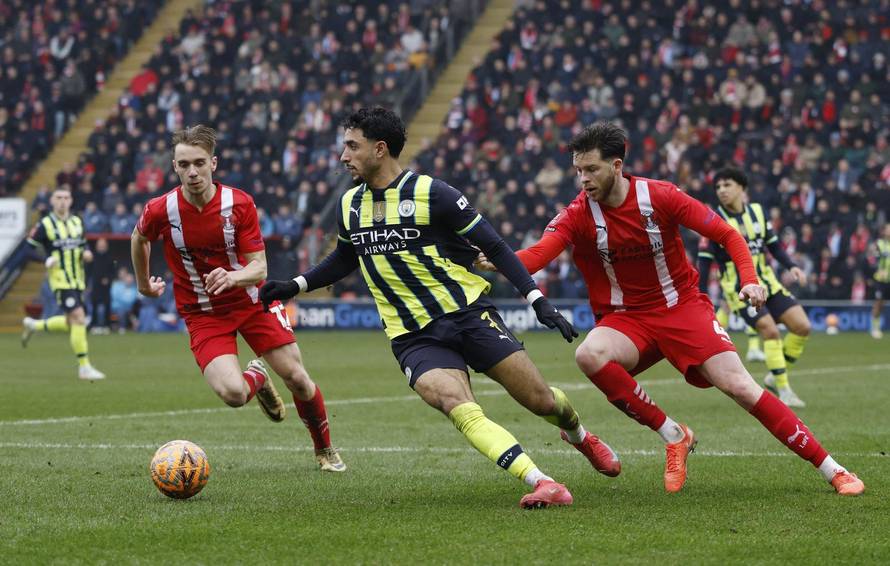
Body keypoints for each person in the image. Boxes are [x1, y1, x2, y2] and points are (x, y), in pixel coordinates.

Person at [260, 107, 619, 509]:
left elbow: (494, 245)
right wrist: (294, 285)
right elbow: (346, 257)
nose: (344, 156)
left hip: (467, 314)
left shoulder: (433, 193)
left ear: (379, 149)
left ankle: (580, 436)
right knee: (456, 403)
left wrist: (536, 300)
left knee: (541, 401)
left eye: (352, 146)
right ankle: (542, 481)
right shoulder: (350, 205)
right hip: (412, 335)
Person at [480, 122, 863, 496]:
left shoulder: (660, 196)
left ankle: (834, 470)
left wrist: (749, 278)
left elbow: (727, 234)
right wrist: (499, 260)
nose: (583, 179)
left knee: (741, 387)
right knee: (589, 354)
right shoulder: (578, 212)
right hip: (627, 319)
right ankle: (674, 435)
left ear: (617, 165)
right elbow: (540, 253)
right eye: (578, 170)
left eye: (592, 169)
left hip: (682, 308)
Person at [130, 125, 346, 473]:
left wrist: (233, 277)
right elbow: (139, 237)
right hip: (203, 313)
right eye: (184, 165)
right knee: (233, 394)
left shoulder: (239, 203)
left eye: (199, 163)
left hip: (251, 302)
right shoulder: (161, 209)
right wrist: (143, 284)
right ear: (174, 167)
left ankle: (324, 450)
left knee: (297, 378)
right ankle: (257, 378)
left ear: (213, 163)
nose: (192, 172)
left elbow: (260, 268)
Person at [697, 168, 811, 408]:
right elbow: (704, 263)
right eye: (718, 187)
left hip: (768, 283)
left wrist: (792, 266)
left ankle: (774, 375)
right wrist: (701, 297)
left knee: (802, 326)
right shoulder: (712, 219)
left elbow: (774, 246)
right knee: (770, 331)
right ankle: (784, 389)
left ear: (741, 188)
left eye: (727, 185)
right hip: (739, 290)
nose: (722, 190)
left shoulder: (758, 211)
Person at [22, 186, 106, 380]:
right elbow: (27, 249)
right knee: (79, 317)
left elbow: (83, 244)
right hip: (60, 280)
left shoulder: (77, 221)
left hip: (78, 280)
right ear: (52, 201)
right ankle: (84, 367)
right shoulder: (45, 224)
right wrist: (45, 259)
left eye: (66, 197)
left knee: (72, 322)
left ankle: (35, 325)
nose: (62, 201)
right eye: (58, 197)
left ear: (71, 201)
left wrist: (87, 252)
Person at [869, 223, 890, 339]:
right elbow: (873, 260)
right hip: (881, 280)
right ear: (884, 232)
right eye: (888, 229)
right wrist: (878, 269)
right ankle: (875, 328)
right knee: (879, 303)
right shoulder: (879, 244)